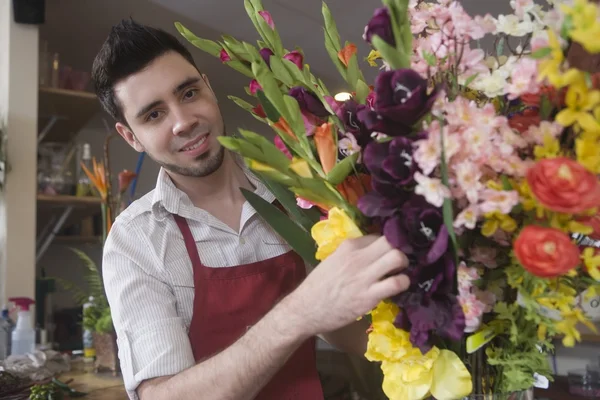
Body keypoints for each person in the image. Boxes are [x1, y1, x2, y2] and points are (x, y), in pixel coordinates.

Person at [93, 19, 411, 400]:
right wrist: (297, 313)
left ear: (208, 87)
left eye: (189, 93)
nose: (183, 121)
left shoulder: (301, 190)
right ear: (131, 136)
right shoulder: (135, 241)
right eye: (153, 115)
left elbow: (345, 331)